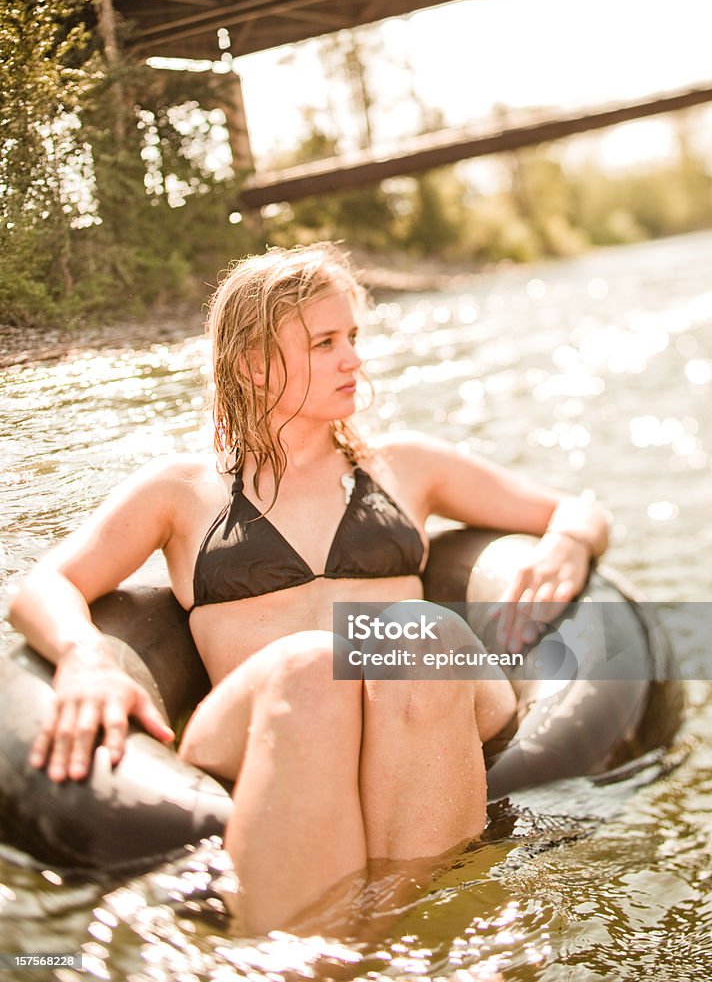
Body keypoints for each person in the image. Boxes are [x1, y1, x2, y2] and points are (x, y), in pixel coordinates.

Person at [8, 242, 609, 935]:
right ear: (253, 364)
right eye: (325, 342)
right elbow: (44, 584)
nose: (352, 358)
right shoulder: (180, 491)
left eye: (351, 337)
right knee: (309, 663)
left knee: (420, 632)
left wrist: (568, 540)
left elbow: (573, 508)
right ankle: (302, 956)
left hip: (424, 702)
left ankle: (396, 937)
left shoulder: (407, 466)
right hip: (269, 714)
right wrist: (84, 656)